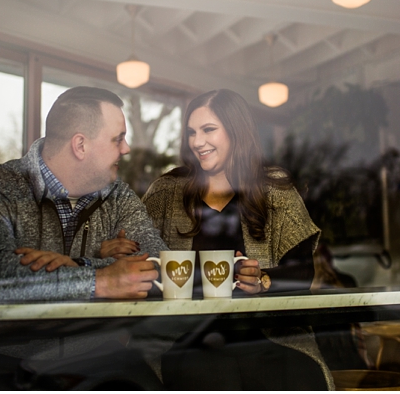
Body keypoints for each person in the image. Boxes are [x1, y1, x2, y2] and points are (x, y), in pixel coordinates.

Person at [142, 89, 334, 390]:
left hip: (269, 338)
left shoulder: (275, 189)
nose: (197, 142)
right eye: (192, 132)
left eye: (208, 130)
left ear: (236, 131)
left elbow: (302, 272)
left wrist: (263, 281)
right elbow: (139, 263)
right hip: (186, 340)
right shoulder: (167, 191)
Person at [0, 86, 166, 303]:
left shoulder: (118, 196)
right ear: (80, 145)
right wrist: (101, 281)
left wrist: (81, 264)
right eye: (118, 139)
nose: (126, 149)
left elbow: (165, 269)